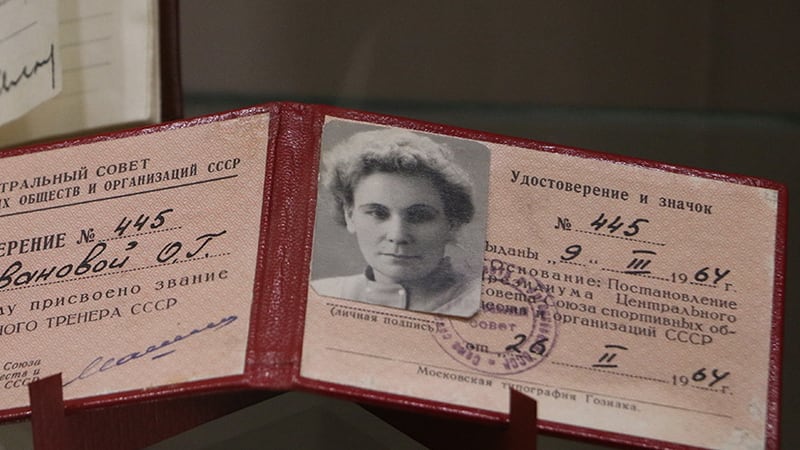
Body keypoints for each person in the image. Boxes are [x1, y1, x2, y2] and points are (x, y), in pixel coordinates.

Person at [311, 127, 481, 317]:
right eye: (378, 213)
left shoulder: (481, 305)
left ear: (452, 224)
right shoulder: (319, 296)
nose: (398, 235)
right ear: (350, 216)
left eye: (419, 215)